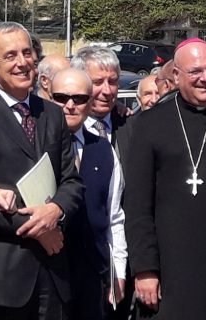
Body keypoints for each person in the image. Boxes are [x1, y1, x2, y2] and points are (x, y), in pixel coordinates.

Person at [0, 21, 83, 320]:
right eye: (11, 55)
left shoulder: (53, 114)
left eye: (27, 52)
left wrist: (55, 211)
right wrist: (39, 229)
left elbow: (71, 181)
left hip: (55, 271)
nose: (22, 62)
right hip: (6, 279)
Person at [123, 37, 206, 319]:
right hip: (172, 270)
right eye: (195, 72)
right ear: (177, 77)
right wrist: (145, 269)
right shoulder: (150, 124)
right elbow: (137, 206)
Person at [51, 67, 127, 320]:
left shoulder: (103, 149)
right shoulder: (35, 148)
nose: (70, 106)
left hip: (93, 276)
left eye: (79, 99)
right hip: (48, 275)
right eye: (61, 98)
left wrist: (119, 272)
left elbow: (114, 216)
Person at [71, 45, 127, 144]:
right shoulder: (62, 128)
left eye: (112, 81)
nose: (107, 91)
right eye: (97, 82)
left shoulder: (130, 125)